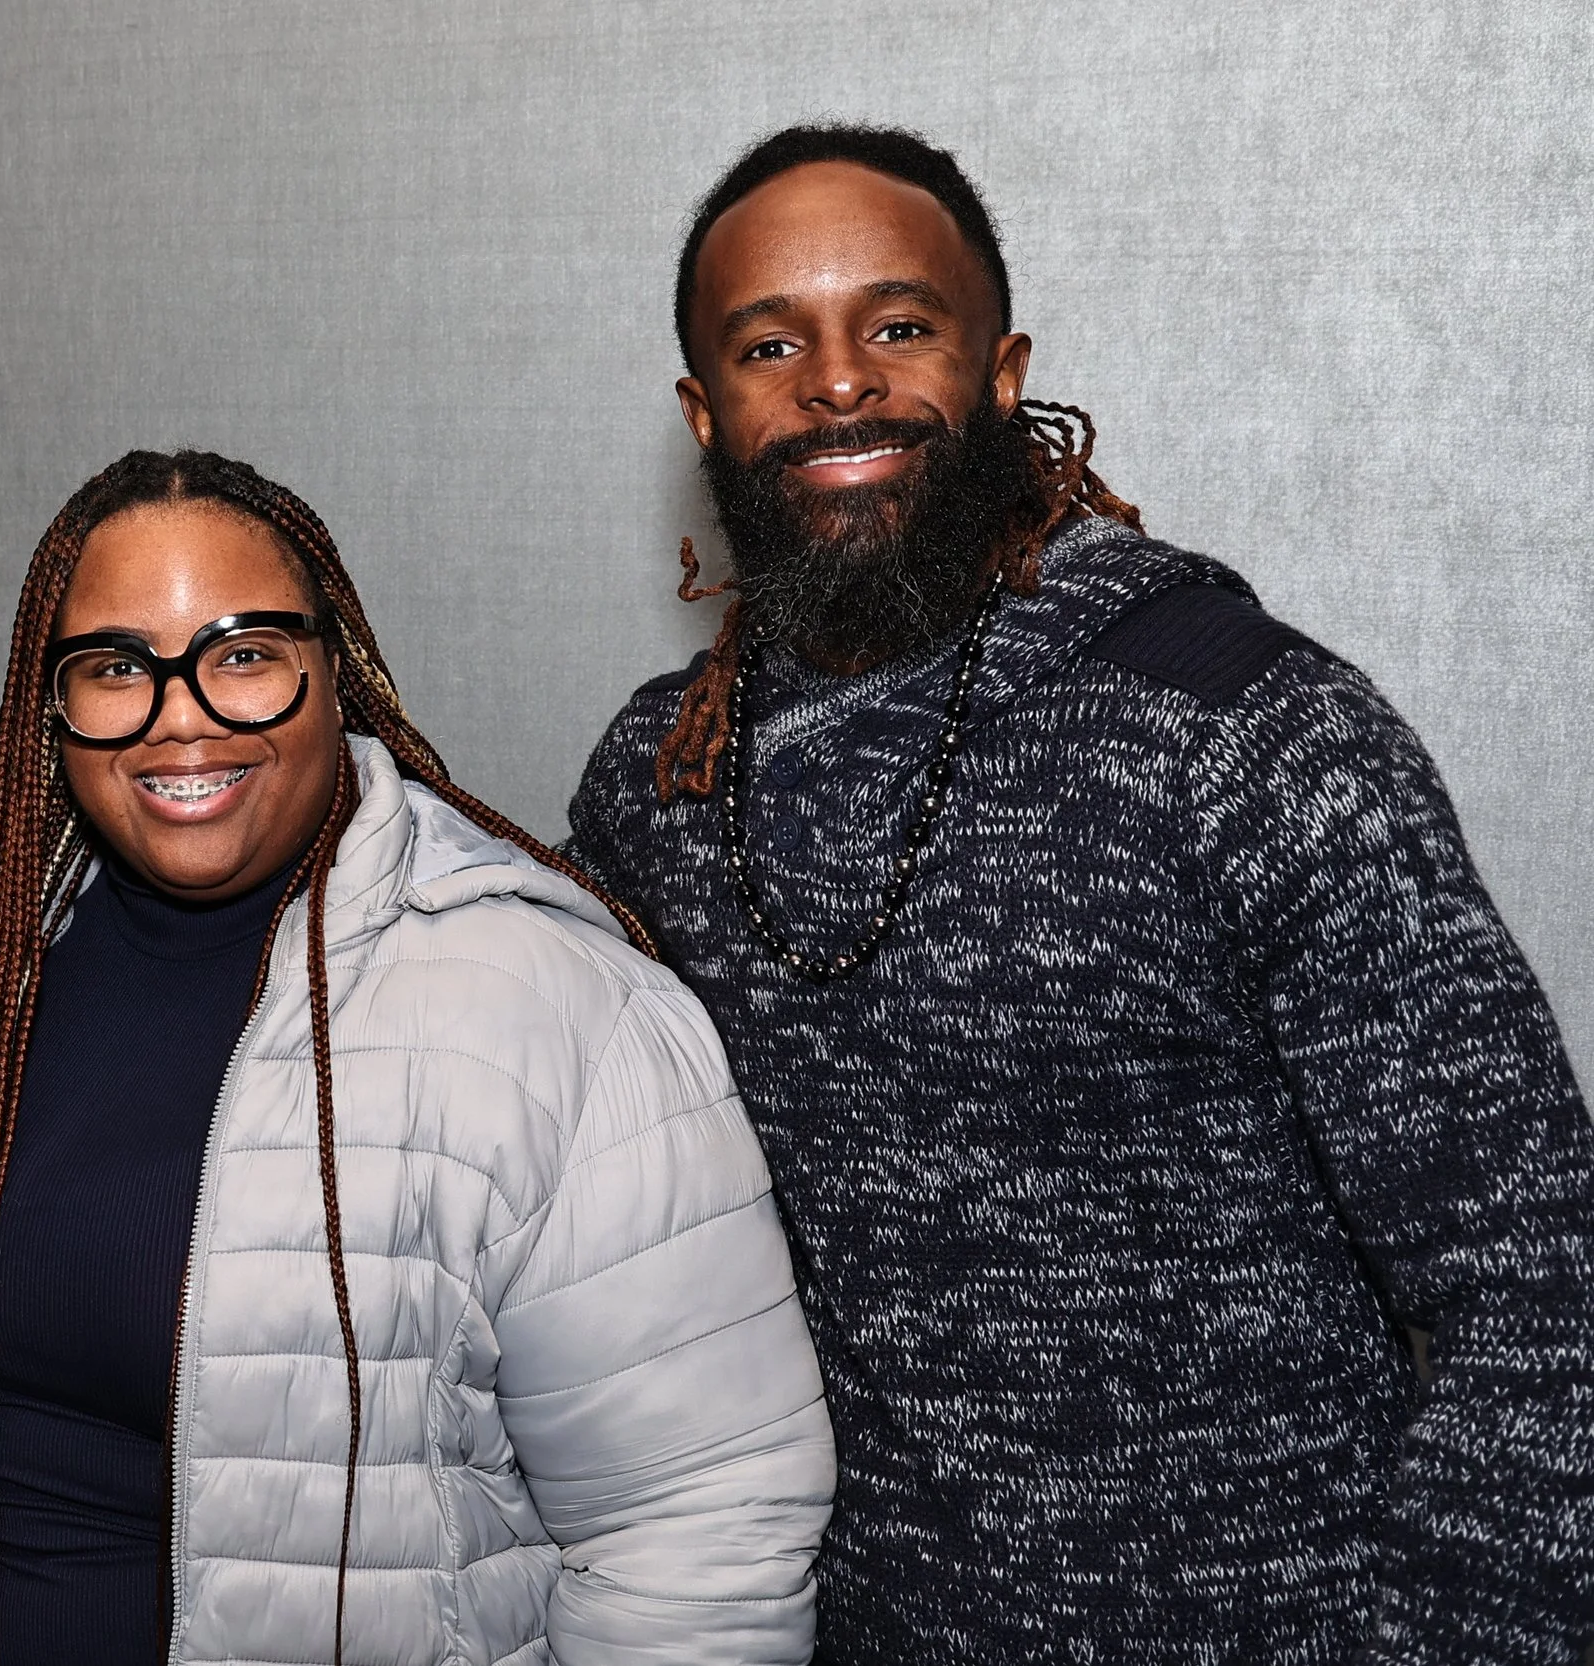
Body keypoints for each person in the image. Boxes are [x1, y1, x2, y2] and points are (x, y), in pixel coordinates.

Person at [564, 124, 1594, 1662]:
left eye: (898, 326)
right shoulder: (661, 780)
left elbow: (1541, 1298)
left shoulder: (1247, 726)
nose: (839, 379)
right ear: (707, 412)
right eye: (774, 342)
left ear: (999, 373)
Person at [0, 449, 833, 1665]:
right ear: (50, 706)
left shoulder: (549, 1005)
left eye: (245, 653)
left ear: (337, 672)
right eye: (115, 668)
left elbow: (699, 1532)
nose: (181, 715)